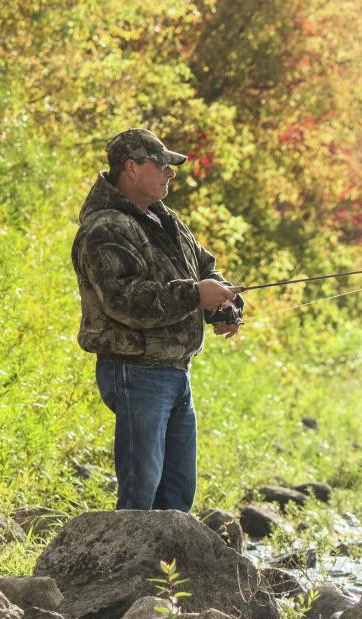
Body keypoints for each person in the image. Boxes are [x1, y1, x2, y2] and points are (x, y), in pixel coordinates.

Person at [71, 128, 243, 512]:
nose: (171, 172)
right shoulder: (105, 228)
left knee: (177, 494)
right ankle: (123, 554)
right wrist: (195, 295)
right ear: (131, 168)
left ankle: (165, 556)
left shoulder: (166, 219)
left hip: (176, 373)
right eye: (161, 164)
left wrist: (224, 306)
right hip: (135, 371)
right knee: (141, 494)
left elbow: (205, 269)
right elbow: (123, 300)